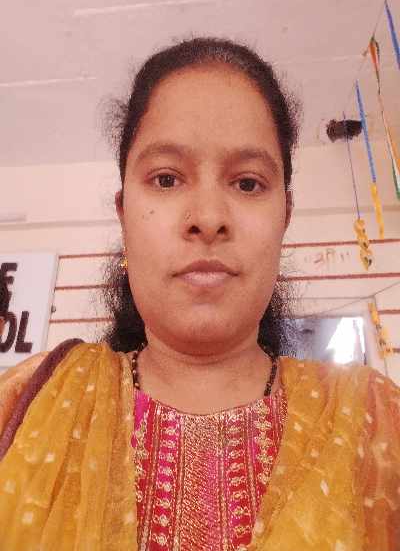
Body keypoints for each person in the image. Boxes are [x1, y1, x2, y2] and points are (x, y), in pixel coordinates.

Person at [0, 37, 399, 551]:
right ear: (124, 215)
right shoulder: (26, 406)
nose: (208, 218)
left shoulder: (375, 424)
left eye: (248, 183)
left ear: (285, 216)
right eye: (167, 179)